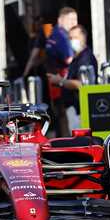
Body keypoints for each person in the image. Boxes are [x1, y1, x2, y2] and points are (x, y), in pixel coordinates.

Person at [47, 25, 98, 131]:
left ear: (83, 37)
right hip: (74, 109)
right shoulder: (77, 58)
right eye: (69, 38)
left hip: (81, 110)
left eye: (74, 37)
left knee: (80, 142)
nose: (71, 41)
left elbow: (81, 84)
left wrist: (60, 81)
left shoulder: (86, 58)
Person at [45, 7, 78, 137]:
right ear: (60, 20)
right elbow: (69, 59)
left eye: (75, 19)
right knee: (65, 114)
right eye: (70, 19)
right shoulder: (63, 36)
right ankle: (68, 142)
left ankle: (63, 140)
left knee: (60, 115)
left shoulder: (53, 34)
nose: (74, 23)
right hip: (62, 81)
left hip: (54, 82)